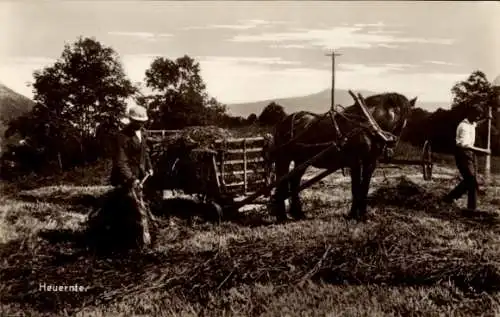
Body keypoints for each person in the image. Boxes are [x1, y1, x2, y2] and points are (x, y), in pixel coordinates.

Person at [443, 105, 490, 212]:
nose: (478, 118)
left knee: (470, 180)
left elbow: (476, 124)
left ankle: (450, 199)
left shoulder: (471, 123)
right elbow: (464, 145)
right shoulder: (463, 126)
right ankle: (470, 208)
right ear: (471, 113)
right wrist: (483, 151)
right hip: (463, 154)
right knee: (472, 181)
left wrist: (487, 119)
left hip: (471, 154)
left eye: (479, 116)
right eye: (477, 115)